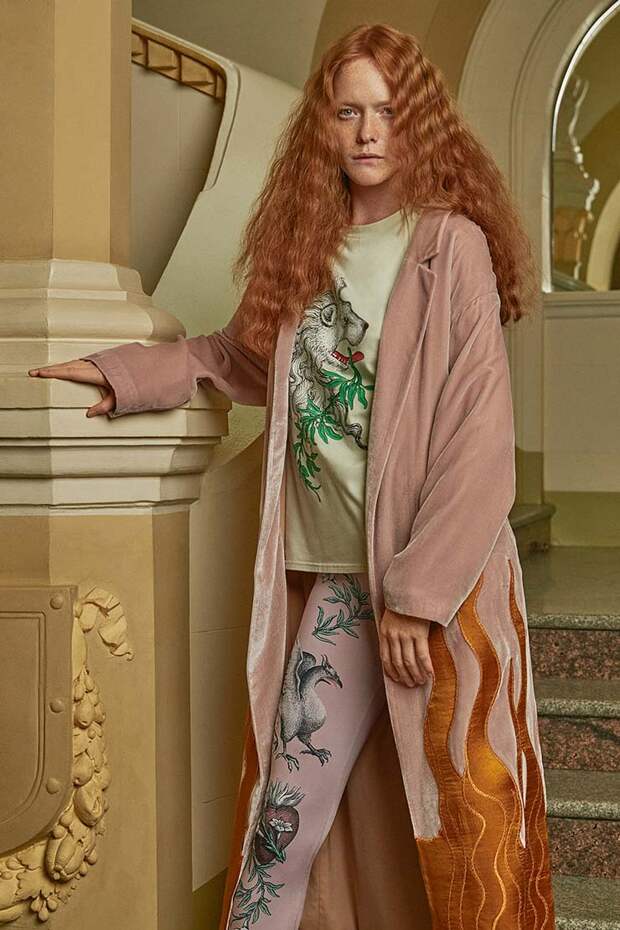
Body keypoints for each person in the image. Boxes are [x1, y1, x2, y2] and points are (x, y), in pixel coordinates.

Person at [29, 22, 554, 930]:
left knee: (468, 835)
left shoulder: (450, 246)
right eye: (348, 112)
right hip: (338, 585)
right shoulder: (306, 246)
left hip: (437, 590)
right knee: (286, 824)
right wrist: (120, 374)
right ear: (323, 124)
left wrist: (417, 597)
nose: (368, 132)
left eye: (388, 111)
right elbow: (236, 359)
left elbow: (480, 441)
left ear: (421, 122)